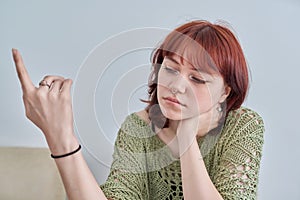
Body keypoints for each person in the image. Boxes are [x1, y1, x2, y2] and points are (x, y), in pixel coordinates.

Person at [12, 20, 264, 200]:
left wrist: (186, 137)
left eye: (197, 79)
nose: (176, 86)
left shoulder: (243, 126)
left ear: (225, 91)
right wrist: (60, 137)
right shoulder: (137, 128)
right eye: (171, 69)